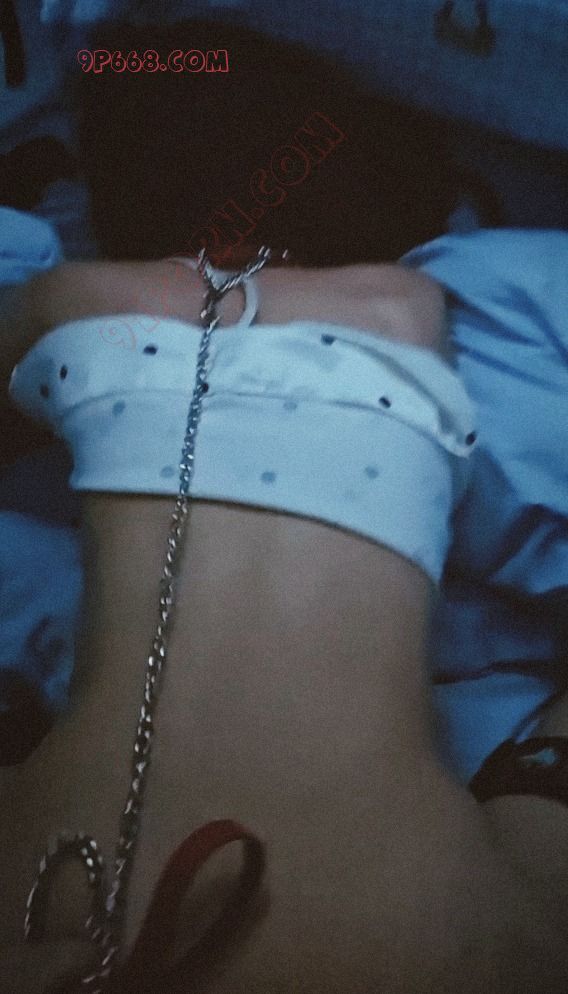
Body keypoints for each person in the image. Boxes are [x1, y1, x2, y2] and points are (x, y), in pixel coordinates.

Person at [0, 19, 567, 994]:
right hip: (409, 915)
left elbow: (117, 67)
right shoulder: (412, 305)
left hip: (69, 884)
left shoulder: (76, 292)